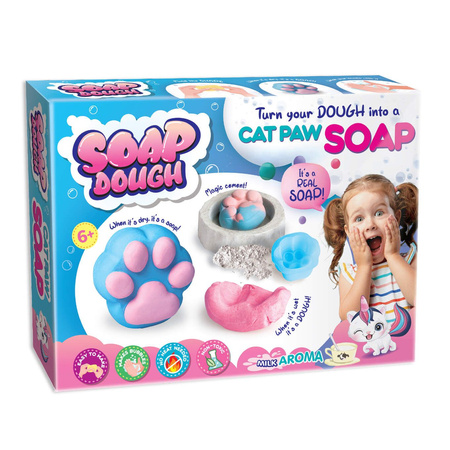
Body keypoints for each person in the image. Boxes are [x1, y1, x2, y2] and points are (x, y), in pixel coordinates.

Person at [323, 174, 418, 322]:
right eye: (359, 219)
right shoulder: (349, 274)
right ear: (348, 232)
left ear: (397, 218)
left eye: (379, 213)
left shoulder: (412, 259)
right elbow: (349, 318)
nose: (370, 225)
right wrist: (364, 267)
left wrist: (393, 255)